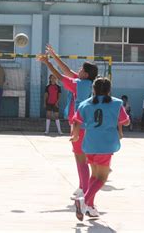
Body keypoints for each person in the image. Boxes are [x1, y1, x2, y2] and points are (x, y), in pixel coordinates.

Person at [38, 44, 98, 200]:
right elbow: (66, 70)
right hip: (81, 124)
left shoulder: (80, 84)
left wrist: (48, 63)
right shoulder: (84, 82)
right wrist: (54, 55)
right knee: (80, 158)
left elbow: (60, 77)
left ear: (85, 74)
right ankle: (82, 187)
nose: (78, 70)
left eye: (81, 69)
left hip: (81, 125)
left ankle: (85, 194)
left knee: (81, 159)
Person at [71, 77, 130, 220]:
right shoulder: (116, 103)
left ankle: (89, 206)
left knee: (94, 176)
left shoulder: (85, 104)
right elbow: (126, 122)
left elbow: (76, 121)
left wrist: (76, 135)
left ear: (94, 89)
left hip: (90, 144)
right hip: (106, 144)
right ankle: (83, 200)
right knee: (102, 178)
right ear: (109, 90)